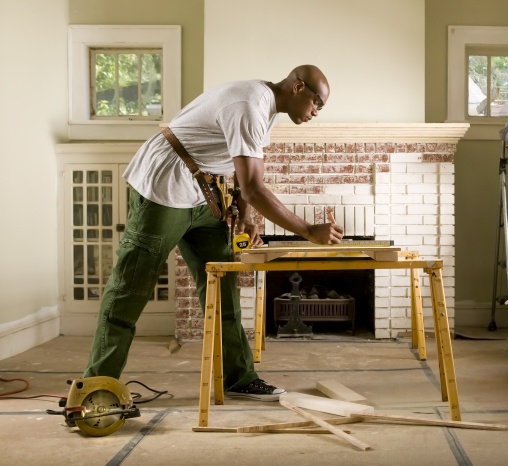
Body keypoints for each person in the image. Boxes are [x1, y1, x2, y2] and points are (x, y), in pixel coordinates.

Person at [83, 64, 345, 401]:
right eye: (316, 103)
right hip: (162, 186)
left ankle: (237, 376)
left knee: (222, 282)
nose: (316, 112)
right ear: (298, 87)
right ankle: (95, 388)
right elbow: (253, 187)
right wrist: (309, 230)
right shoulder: (249, 105)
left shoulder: (266, 108)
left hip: (201, 193)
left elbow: (241, 174)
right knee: (130, 287)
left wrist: (248, 218)